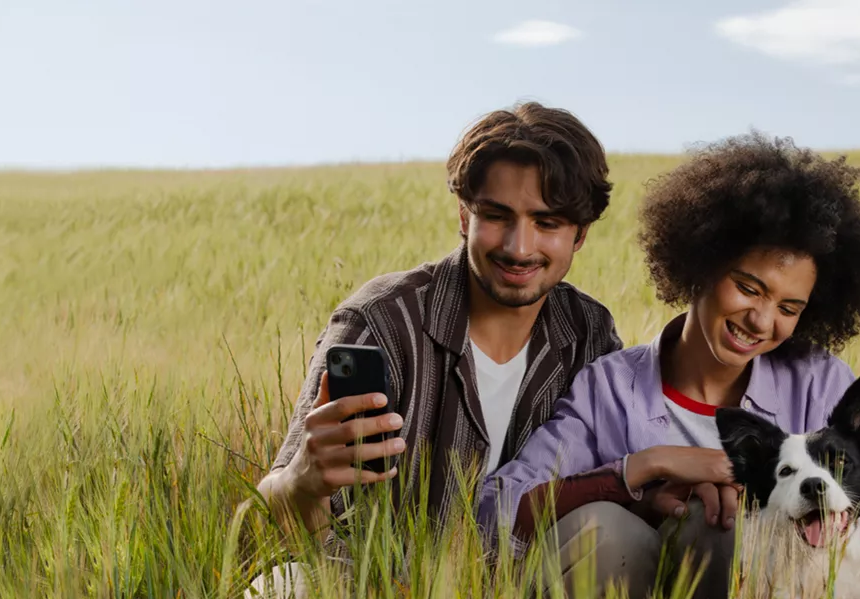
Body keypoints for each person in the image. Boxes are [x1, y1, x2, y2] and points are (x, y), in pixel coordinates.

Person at [478, 134, 860, 599]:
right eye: (749, 288)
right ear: (702, 264)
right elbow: (496, 508)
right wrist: (644, 469)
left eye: (789, 307)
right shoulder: (610, 388)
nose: (762, 320)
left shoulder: (819, 384)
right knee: (673, 524)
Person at [255, 102, 622, 548]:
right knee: (288, 589)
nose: (519, 247)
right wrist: (299, 481)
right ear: (465, 217)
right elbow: (260, 522)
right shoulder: (380, 320)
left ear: (579, 235)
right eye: (497, 216)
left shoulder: (590, 333)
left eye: (546, 223)